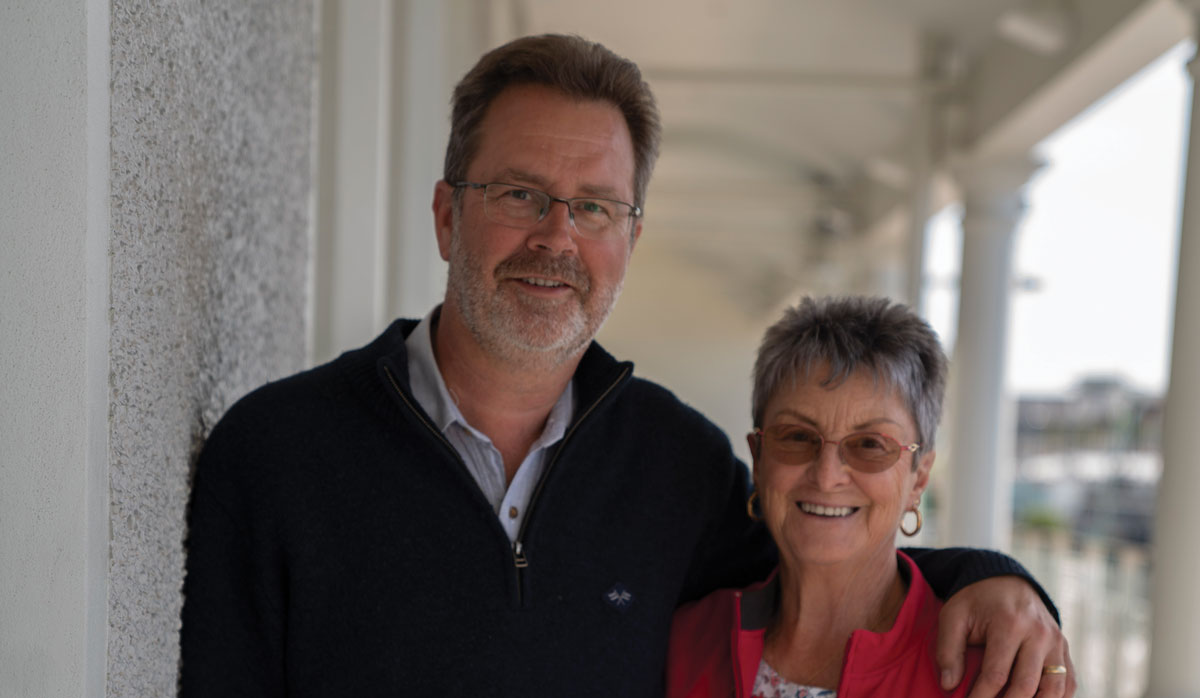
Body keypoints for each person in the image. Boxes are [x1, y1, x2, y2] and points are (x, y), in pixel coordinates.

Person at [179, 34, 1072, 697]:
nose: (557, 238)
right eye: (522, 194)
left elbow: (828, 546)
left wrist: (995, 579)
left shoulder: (674, 467)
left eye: (597, 207)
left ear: (631, 240)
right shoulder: (275, 455)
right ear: (449, 215)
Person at [666, 297, 1076, 698]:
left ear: (919, 479)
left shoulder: (993, 674)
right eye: (796, 437)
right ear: (758, 457)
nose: (827, 477)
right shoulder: (690, 636)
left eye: (870, 444)